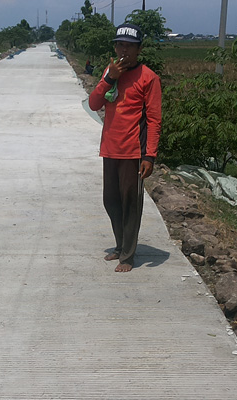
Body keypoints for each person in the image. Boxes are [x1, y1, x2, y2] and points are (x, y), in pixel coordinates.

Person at [88, 23, 162, 272]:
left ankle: (128, 255)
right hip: (110, 148)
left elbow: (153, 119)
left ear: (139, 49)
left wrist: (149, 155)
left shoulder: (149, 78)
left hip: (133, 151)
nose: (123, 50)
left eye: (129, 46)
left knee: (131, 203)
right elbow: (94, 102)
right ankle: (120, 246)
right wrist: (110, 78)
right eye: (119, 44)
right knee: (110, 200)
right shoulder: (110, 72)